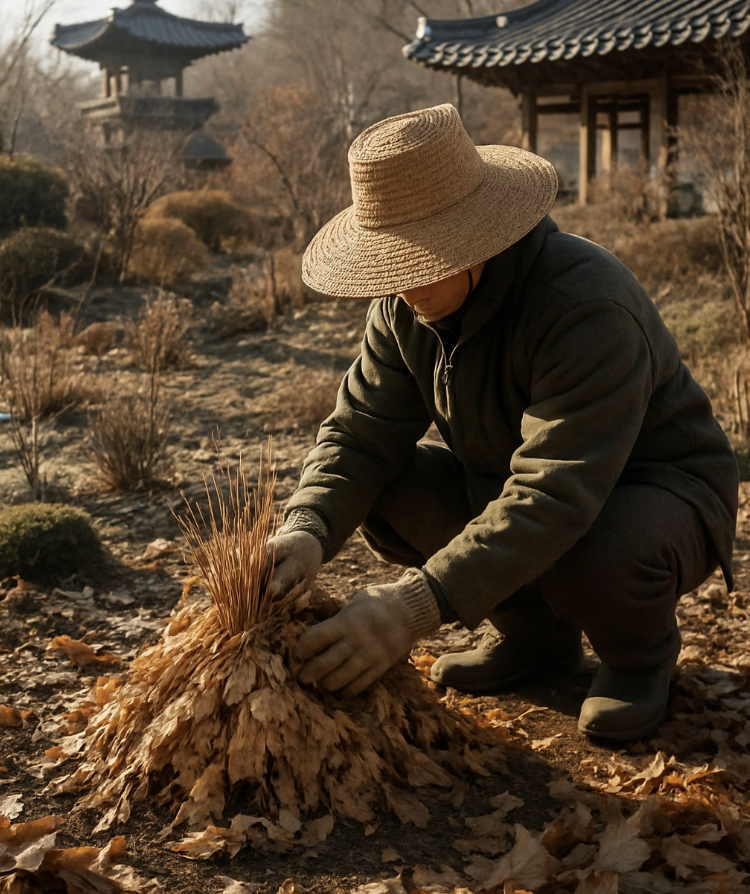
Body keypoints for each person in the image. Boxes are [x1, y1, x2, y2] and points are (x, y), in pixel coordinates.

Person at [267, 103, 738, 741]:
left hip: (655, 493)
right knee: (386, 487)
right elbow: (359, 433)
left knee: (595, 549)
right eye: (391, 263)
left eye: (421, 260)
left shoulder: (583, 304)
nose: (404, 284)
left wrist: (411, 608)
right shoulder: (404, 307)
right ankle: (537, 638)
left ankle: (639, 659)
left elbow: (557, 491)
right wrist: (307, 528)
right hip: (514, 485)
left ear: (476, 237)